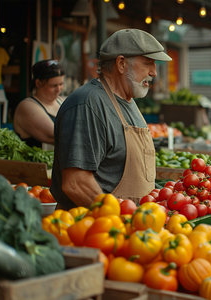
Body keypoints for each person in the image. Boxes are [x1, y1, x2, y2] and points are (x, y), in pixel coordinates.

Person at [51, 28, 171, 209]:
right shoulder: (88, 105)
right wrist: (118, 220)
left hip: (137, 227)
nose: (154, 72)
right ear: (121, 63)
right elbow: (76, 183)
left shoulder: (129, 101)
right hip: (96, 230)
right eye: (148, 62)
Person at [13, 59, 65, 148]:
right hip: (36, 161)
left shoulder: (62, 101)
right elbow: (56, 135)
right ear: (38, 83)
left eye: (61, 84)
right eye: (54, 85)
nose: (58, 89)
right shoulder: (27, 106)